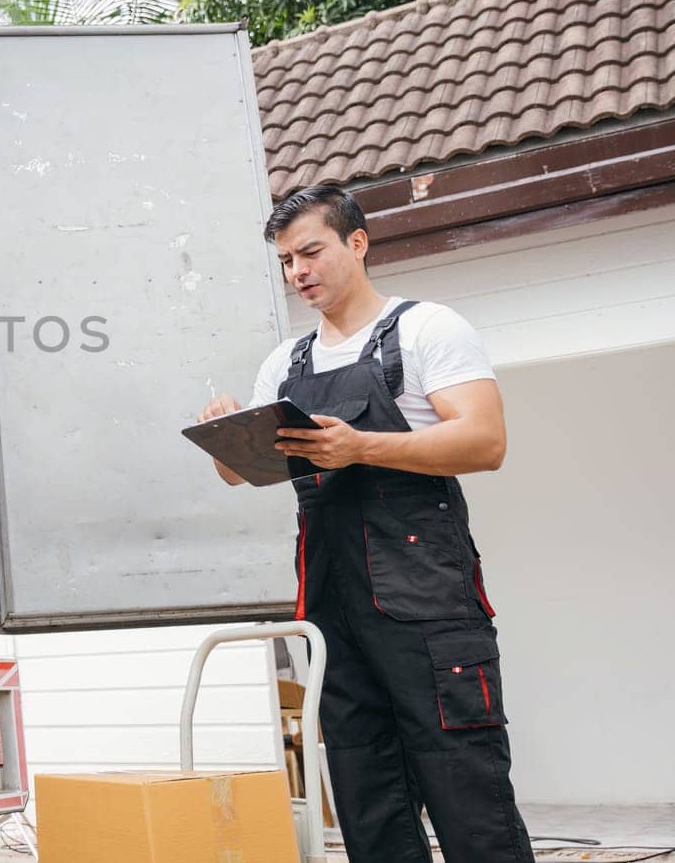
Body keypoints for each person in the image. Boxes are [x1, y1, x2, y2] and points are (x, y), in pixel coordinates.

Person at [200, 185, 533, 863]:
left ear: (357, 241)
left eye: (311, 251)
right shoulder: (285, 364)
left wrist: (363, 446)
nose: (298, 271)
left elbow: (486, 441)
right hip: (331, 610)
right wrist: (222, 441)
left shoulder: (425, 329)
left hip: (428, 605)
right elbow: (243, 474)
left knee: (468, 798)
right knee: (367, 805)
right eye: (287, 259)